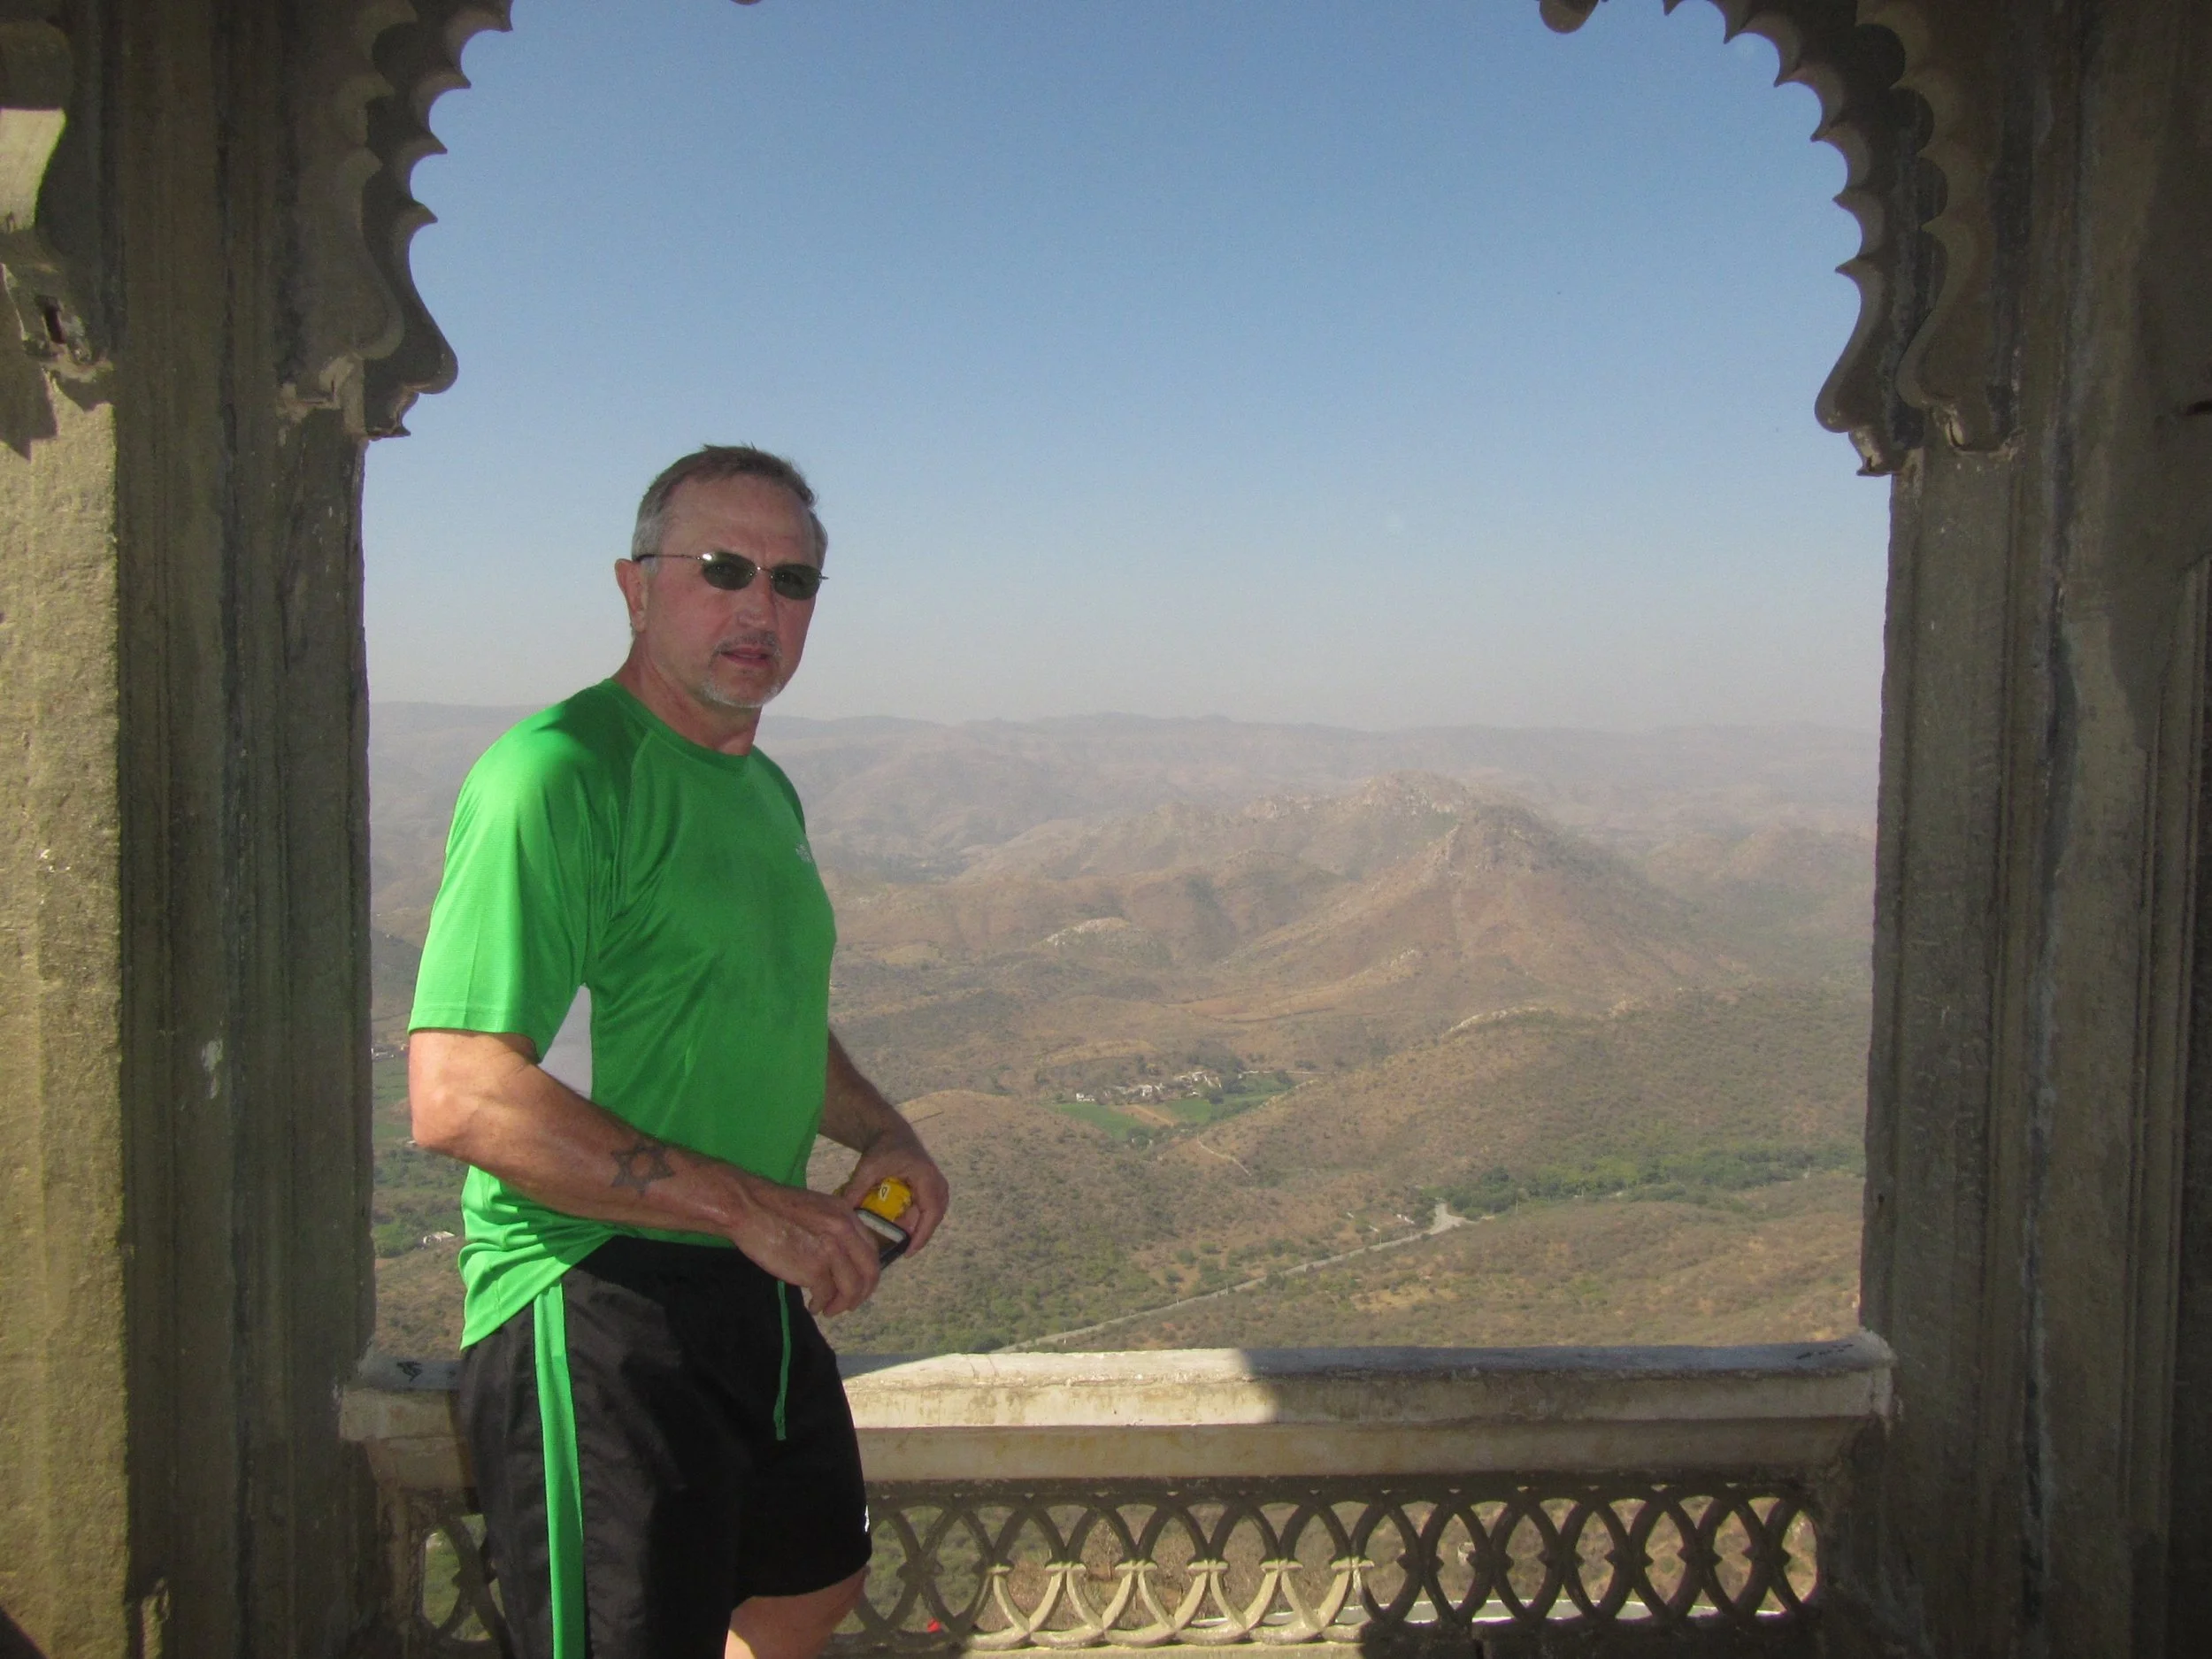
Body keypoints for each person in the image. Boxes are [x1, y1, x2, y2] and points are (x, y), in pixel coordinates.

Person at [407, 445, 949, 1659]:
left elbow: (765, 1006)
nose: (760, 605)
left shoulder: (764, 791)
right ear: (635, 585)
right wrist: (746, 1203)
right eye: (722, 568)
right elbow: (458, 1094)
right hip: (591, 1288)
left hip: (747, 1276)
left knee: (811, 1584)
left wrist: (882, 1132)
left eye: (792, 580)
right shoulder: (558, 774)